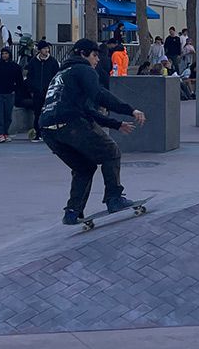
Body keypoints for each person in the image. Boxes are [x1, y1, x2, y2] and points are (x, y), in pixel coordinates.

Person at [38, 38, 145, 224]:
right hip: (71, 123)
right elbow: (100, 94)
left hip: (48, 130)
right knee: (111, 152)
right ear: (82, 54)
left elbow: (88, 110)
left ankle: (72, 211)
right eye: (95, 55)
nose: (97, 60)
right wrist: (130, 110)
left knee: (84, 167)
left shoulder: (61, 74)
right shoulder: (83, 69)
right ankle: (114, 199)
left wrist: (116, 124)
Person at [0, 47, 24, 143]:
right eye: (3, 54)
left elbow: (20, 81)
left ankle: (5, 132)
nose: (4, 55)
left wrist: (15, 90)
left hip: (10, 94)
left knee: (8, 115)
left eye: (6, 53)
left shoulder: (15, 67)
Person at [23, 41, 58, 142]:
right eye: (44, 48)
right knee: (37, 113)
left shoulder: (53, 62)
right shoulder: (33, 62)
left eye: (47, 48)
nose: (46, 50)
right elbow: (29, 77)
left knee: (49, 113)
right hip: (37, 92)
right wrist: (32, 89)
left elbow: (56, 76)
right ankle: (37, 133)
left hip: (49, 92)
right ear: (39, 50)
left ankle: (48, 134)